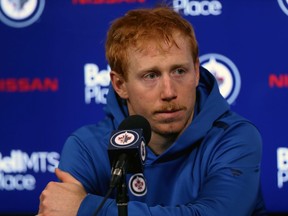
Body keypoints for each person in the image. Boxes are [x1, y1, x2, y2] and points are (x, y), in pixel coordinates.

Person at [38, 5, 266, 216]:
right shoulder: (87, 147)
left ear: (196, 71)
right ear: (120, 84)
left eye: (179, 71)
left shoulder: (234, 138)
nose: (168, 91)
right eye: (151, 76)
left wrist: (88, 208)